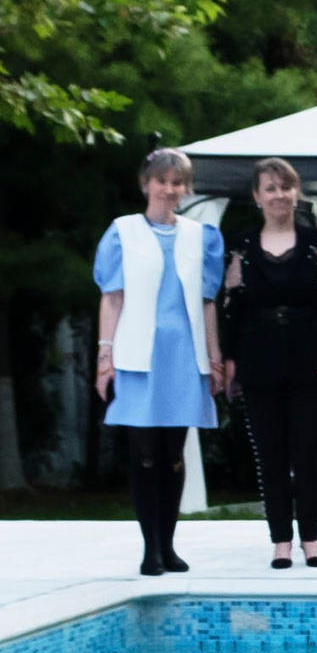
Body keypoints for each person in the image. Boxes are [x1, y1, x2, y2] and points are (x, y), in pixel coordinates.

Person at [93, 148, 226, 576]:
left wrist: (215, 358)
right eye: (162, 180)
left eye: (177, 182)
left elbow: (207, 303)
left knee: (172, 451)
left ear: (186, 188)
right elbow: (112, 297)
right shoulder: (122, 232)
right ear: (146, 183)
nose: (169, 189)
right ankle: (149, 547)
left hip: (184, 357)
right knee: (145, 451)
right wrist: (104, 355)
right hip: (138, 355)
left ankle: (168, 545)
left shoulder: (200, 236)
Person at [221, 158, 317, 568]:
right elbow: (231, 308)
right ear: (257, 197)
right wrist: (229, 357)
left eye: (285, 187)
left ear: (296, 193)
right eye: (270, 188)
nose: (278, 195)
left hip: (310, 358)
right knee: (270, 453)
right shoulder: (240, 244)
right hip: (258, 361)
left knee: (308, 451)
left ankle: (311, 538)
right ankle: (280, 541)